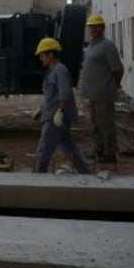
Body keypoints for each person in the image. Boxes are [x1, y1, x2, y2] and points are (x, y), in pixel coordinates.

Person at [33, 37, 91, 174]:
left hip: (55, 119)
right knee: (71, 150)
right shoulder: (52, 72)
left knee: (43, 150)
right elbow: (50, 95)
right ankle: (86, 174)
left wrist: (59, 112)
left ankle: (35, 179)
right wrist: (41, 109)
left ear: (51, 54)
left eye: (42, 55)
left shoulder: (59, 70)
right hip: (55, 116)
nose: (41, 58)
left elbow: (64, 94)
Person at [81, 14, 124, 163]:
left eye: (95, 26)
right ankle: (99, 149)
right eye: (91, 27)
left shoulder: (108, 46)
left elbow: (118, 69)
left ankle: (110, 153)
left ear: (102, 28)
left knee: (106, 124)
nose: (93, 29)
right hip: (93, 94)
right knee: (95, 124)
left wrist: (116, 84)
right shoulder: (91, 46)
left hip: (104, 93)